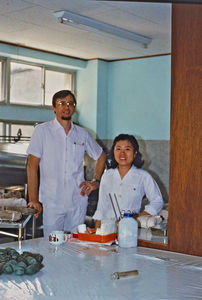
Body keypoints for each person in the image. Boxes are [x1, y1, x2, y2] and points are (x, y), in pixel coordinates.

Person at [27, 90, 106, 237]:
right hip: (52, 201)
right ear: (54, 107)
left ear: (74, 107)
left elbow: (101, 156)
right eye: (61, 103)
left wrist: (96, 181)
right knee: (52, 244)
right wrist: (33, 199)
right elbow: (32, 166)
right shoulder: (42, 131)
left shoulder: (82, 133)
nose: (66, 107)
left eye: (70, 103)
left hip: (77, 199)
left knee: (75, 244)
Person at [93, 134, 163, 228]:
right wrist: (96, 233)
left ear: (135, 153)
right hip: (107, 229)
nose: (122, 154)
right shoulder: (107, 176)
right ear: (113, 152)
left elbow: (157, 201)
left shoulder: (143, 176)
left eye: (127, 149)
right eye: (118, 149)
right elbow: (101, 208)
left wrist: (138, 217)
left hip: (129, 229)